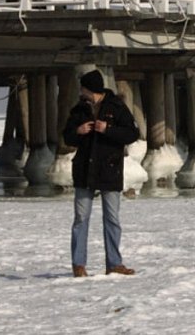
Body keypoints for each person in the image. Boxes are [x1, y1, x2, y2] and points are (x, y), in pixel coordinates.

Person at [63, 69, 140, 278]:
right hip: (84, 170)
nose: (81, 92)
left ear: (92, 90)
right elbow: (66, 136)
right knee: (81, 218)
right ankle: (78, 264)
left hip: (109, 168)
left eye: (83, 88)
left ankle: (114, 263)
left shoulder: (116, 107)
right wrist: (78, 132)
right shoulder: (79, 110)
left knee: (112, 218)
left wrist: (108, 129)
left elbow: (133, 133)